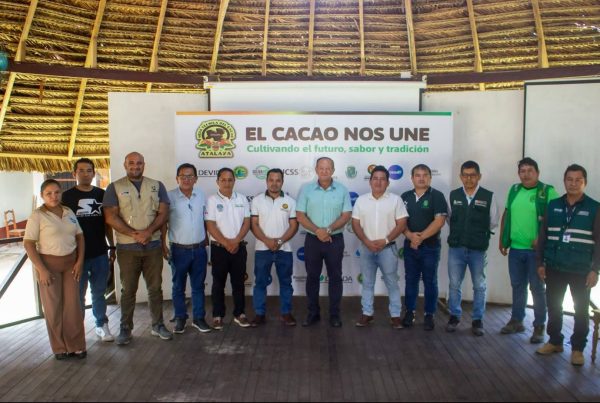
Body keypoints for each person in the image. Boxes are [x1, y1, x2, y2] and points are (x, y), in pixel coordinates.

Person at [103, 151, 172, 345]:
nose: (135, 166)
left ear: (144, 165)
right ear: (125, 165)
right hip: (127, 248)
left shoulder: (157, 185)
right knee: (128, 290)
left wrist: (148, 232)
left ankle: (158, 325)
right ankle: (125, 329)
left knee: (155, 288)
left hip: (153, 245)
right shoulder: (114, 187)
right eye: (131, 163)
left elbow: (163, 213)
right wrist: (136, 234)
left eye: (139, 163)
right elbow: (110, 217)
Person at [535, 164, 599, 366]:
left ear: (585, 183)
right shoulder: (553, 205)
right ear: (564, 181)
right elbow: (543, 236)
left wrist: (595, 270)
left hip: (581, 269)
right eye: (570, 179)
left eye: (578, 180)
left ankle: (578, 349)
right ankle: (555, 341)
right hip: (555, 266)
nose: (573, 183)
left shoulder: (594, 207)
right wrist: (540, 263)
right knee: (554, 306)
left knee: (581, 310)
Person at [23, 179, 86, 360]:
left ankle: (76, 345)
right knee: (53, 307)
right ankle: (59, 348)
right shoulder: (37, 215)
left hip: (71, 265)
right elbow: (28, 244)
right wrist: (41, 269)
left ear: (61, 193)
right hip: (48, 266)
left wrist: (79, 262)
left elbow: (80, 237)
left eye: (57, 192)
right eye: (48, 193)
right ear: (42, 196)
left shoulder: (68, 211)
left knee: (73, 306)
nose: (53, 196)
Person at [499, 157, 559, 343]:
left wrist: (542, 238)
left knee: (537, 288)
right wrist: (503, 239)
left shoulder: (547, 191)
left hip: (536, 252)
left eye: (530, 171)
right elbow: (507, 214)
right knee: (517, 286)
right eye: (522, 171)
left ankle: (539, 326)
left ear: (537, 173)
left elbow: (556, 219)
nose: (526, 174)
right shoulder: (514, 190)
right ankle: (517, 320)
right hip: (516, 249)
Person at [62, 158, 116, 342]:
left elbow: (108, 224)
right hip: (76, 257)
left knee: (99, 292)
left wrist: (112, 246)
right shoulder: (66, 197)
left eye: (89, 170)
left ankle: (101, 325)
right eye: (81, 170)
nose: (85, 174)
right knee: (77, 295)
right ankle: (78, 331)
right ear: (74, 174)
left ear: (94, 173)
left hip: (100, 253)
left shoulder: (102, 194)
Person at [296, 157, 352, 328]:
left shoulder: (342, 190)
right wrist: (318, 231)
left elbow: (346, 215)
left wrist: (327, 230)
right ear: (316, 170)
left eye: (328, 168)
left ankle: (335, 315)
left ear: (333, 170)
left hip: (335, 240)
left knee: (335, 277)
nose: (325, 171)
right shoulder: (306, 190)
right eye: (321, 168)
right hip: (312, 240)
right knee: (312, 277)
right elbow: (300, 215)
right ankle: (313, 313)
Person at [445, 161, 499, 336]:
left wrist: (476, 234)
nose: (469, 179)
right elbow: (449, 219)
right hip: (456, 248)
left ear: (479, 176)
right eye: (465, 175)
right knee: (454, 284)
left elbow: (493, 221)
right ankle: (454, 316)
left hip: (477, 249)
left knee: (479, 285)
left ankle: (477, 319)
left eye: (472, 175)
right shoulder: (453, 195)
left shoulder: (488, 196)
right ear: (460, 177)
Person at [352, 166, 408, 329]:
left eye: (382, 179)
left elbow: (402, 223)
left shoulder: (396, 200)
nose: (378, 182)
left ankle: (395, 316)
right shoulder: (361, 200)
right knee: (367, 283)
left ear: (388, 182)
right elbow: (355, 223)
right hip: (366, 248)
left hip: (388, 248)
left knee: (392, 283)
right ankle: (367, 313)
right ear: (370, 181)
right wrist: (367, 241)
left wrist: (385, 240)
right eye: (375, 178)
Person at [161, 163, 211, 334]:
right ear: (177, 178)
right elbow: (163, 224)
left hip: (199, 249)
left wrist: (206, 240)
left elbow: (204, 220)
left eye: (190, 176)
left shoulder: (201, 195)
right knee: (178, 287)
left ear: (196, 179)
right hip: (178, 250)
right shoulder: (169, 196)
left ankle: (199, 318)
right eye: (183, 176)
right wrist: (163, 245)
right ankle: (180, 318)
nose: (186, 179)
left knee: (198, 287)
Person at [401, 164, 448, 330]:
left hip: (430, 247)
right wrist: (410, 236)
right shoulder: (405, 196)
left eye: (425, 175)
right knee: (411, 280)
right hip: (410, 246)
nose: (421, 178)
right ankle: (410, 312)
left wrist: (420, 238)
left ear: (430, 177)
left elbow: (439, 221)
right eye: (417, 175)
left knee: (430, 281)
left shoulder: (437, 196)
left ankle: (429, 314)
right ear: (412, 178)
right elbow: (400, 222)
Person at [249, 168, 299, 327]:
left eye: (278, 180)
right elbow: (254, 224)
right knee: (260, 283)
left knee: (286, 283)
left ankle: (286, 313)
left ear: (282, 182)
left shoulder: (291, 202)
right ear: (266, 181)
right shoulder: (257, 201)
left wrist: (280, 241)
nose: (274, 183)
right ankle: (259, 314)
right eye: (271, 180)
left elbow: (293, 226)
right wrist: (267, 241)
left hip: (284, 250)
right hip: (262, 249)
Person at [205, 167, 251, 330]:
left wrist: (236, 241)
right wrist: (226, 243)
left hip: (239, 247)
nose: (227, 183)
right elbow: (210, 225)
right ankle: (218, 316)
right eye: (223, 180)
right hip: (219, 249)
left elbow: (247, 222)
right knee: (218, 283)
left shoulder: (242, 199)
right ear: (217, 181)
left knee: (238, 283)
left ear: (234, 181)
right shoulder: (211, 200)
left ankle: (240, 314)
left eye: (230, 179)